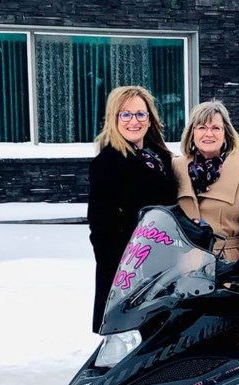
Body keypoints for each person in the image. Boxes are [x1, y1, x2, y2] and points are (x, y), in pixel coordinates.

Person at [87, 85, 177, 333]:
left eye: (140, 114)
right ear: (114, 119)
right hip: (128, 271)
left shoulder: (161, 158)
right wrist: (125, 274)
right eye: (125, 114)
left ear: (150, 119)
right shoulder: (107, 163)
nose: (134, 121)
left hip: (164, 265)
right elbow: (100, 227)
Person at [173, 100, 239, 262]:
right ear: (192, 133)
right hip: (181, 266)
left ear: (226, 134)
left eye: (216, 128)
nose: (208, 134)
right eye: (201, 127)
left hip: (226, 267)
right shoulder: (176, 166)